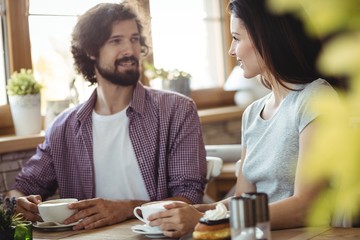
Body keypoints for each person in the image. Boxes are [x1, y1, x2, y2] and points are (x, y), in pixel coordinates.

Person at [148, 0, 344, 238]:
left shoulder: (315, 97)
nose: (231, 50)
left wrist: (202, 219)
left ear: (266, 38)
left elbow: (305, 207)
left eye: (237, 38)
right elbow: (242, 201)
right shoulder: (252, 113)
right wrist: (198, 210)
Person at [7, 1, 207, 230]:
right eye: (116, 41)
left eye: (134, 39)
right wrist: (18, 203)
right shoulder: (63, 127)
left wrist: (126, 209)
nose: (130, 50)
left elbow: (189, 199)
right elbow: (22, 188)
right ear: (91, 50)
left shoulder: (177, 110)